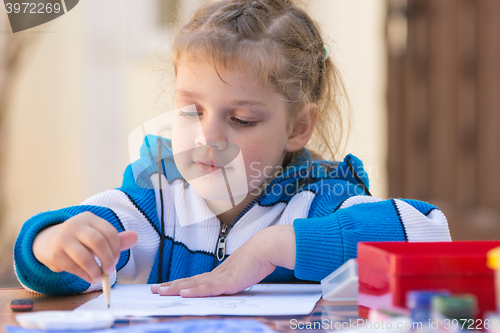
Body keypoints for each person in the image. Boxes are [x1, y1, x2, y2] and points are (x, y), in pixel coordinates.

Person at [14, 0, 451, 297]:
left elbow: (431, 233)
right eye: (191, 109)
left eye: (241, 119)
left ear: (298, 128)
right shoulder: (156, 196)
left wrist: (273, 247)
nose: (208, 137)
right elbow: (64, 259)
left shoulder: (320, 200)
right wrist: (51, 244)